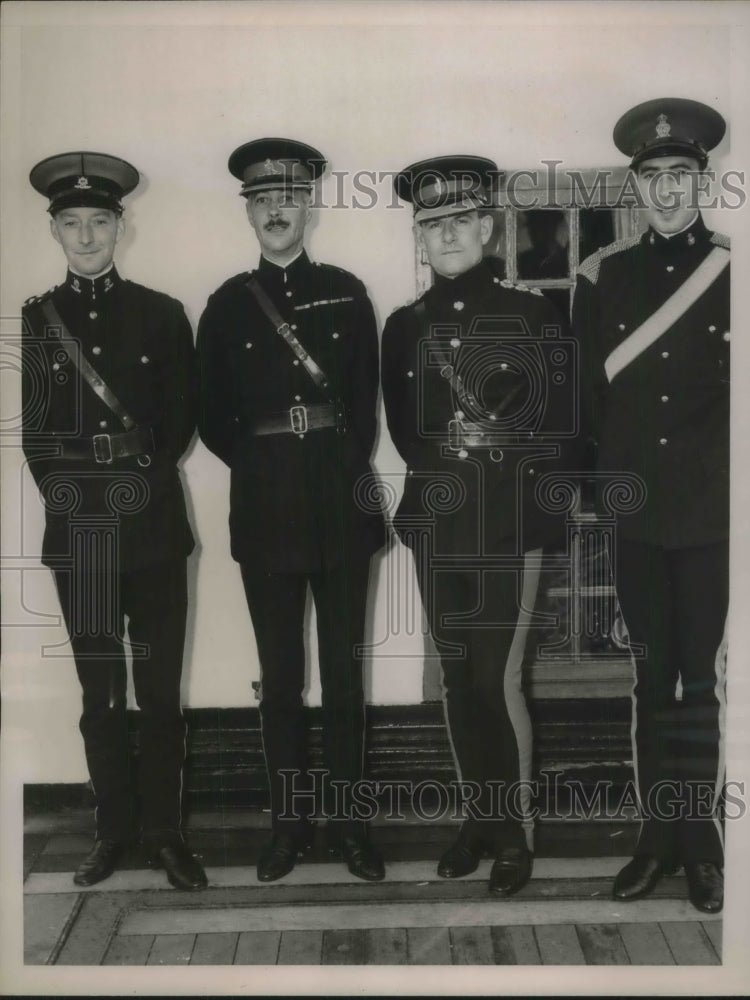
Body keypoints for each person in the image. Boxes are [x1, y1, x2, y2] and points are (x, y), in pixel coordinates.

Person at [382, 156, 577, 896]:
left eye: (461, 219)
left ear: (488, 227)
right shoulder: (404, 327)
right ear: (420, 238)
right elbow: (406, 432)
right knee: (457, 680)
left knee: (498, 680)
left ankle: (516, 834)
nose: (449, 234)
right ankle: (478, 817)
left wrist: (528, 512)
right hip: (438, 522)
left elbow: (561, 428)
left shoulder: (532, 314)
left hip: (509, 524)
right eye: (433, 224)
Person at [197, 138, 385, 883]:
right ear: (248, 210)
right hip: (266, 512)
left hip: (340, 506)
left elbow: (365, 409)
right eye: (262, 198)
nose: (277, 209)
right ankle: (289, 825)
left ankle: (349, 827)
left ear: (309, 205)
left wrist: (332, 477)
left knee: (343, 674)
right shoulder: (225, 304)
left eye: (290, 196)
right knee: (279, 679)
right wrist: (269, 470)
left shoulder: (348, 290)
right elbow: (212, 419)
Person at [22, 152, 207, 890]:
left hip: (154, 525)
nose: (87, 236)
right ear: (56, 231)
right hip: (81, 536)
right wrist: (79, 506)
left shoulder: (162, 314)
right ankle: (112, 831)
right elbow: (37, 438)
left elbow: (181, 421)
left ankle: (165, 834)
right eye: (73, 223)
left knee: (159, 692)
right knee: (99, 694)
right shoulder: (38, 320)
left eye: (100, 221)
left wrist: (142, 489)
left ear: (121, 228)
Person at [572, 98, 729, 913]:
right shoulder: (604, 276)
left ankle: (700, 845)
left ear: (704, 181)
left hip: (711, 516)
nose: (667, 190)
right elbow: (586, 404)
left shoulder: (735, 269)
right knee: (650, 678)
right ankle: (652, 842)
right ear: (636, 186)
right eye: (653, 177)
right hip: (635, 512)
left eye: (681, 175)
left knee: (698, 684)